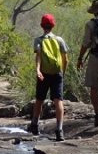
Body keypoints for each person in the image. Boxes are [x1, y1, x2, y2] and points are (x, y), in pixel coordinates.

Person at [29, 13, 69, 141]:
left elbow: (38, 57)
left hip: (44, 74)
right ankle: (59, 130)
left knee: (39, 99)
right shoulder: (59, 40)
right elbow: (66, 60)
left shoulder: (39, 40)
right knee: (58, 101)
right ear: (53, 25)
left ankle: (34, 125)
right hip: (57, 73)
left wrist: (38, 70)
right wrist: (62, 72)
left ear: (42, 26)